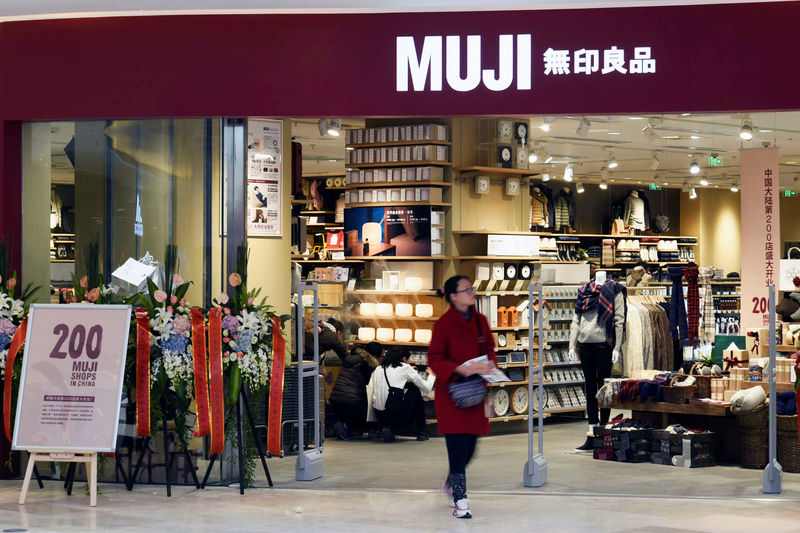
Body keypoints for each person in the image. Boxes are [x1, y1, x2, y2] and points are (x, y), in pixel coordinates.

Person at [427, 275, 497, 520]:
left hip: (476, 393)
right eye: (466, 290)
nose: (472, 293)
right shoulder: (443, 325)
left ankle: (450, 482)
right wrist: (459, 368)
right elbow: (434, 358)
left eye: (472, 288)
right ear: (453, 296)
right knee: (457, 449)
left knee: (471, 449)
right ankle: (461, 500)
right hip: (451, 396)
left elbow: (489, 348)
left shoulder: (481, 321)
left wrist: (489, 365)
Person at [568, 269, 627, 451]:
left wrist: (617, 347)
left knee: (604, 389)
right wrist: (572, 344)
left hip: (604, 345)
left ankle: (603, 433)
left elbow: (619, 319)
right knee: (590, 388)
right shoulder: (584, 290)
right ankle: (592, 434)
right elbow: (576, 319)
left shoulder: (614, 289)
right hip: (585, 345)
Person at [369, 346, 434, 443]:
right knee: (414, 390)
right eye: (408, 360)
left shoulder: (378, 369)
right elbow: (427, 388)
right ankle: (422, 432)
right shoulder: (405, 368)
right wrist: (432, 375)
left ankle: (386, 427)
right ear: (404, 359)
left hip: (379, 415)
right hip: (396, 416)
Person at [329, 342, 383, 440]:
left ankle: (347, 427)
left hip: (335, 399)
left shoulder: (353, 358)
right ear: (375, 355)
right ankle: (349, 427)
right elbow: (370, 386)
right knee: (372, 403)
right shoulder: (367, 364)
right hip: (350, 402)